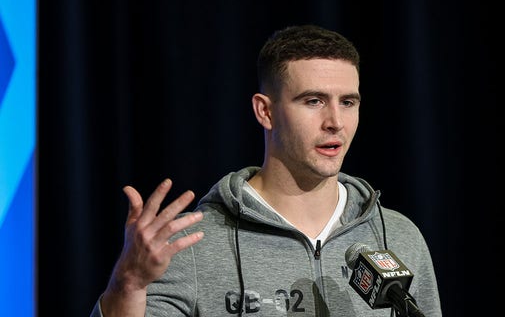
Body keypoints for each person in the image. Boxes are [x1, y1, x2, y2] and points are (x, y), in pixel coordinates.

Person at [91, 24, 442, 317]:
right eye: (313, 101)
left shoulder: (396, 237)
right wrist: (129, 285)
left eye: (348, 102)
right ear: (265, 111)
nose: (335, 122)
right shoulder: (193, 246)